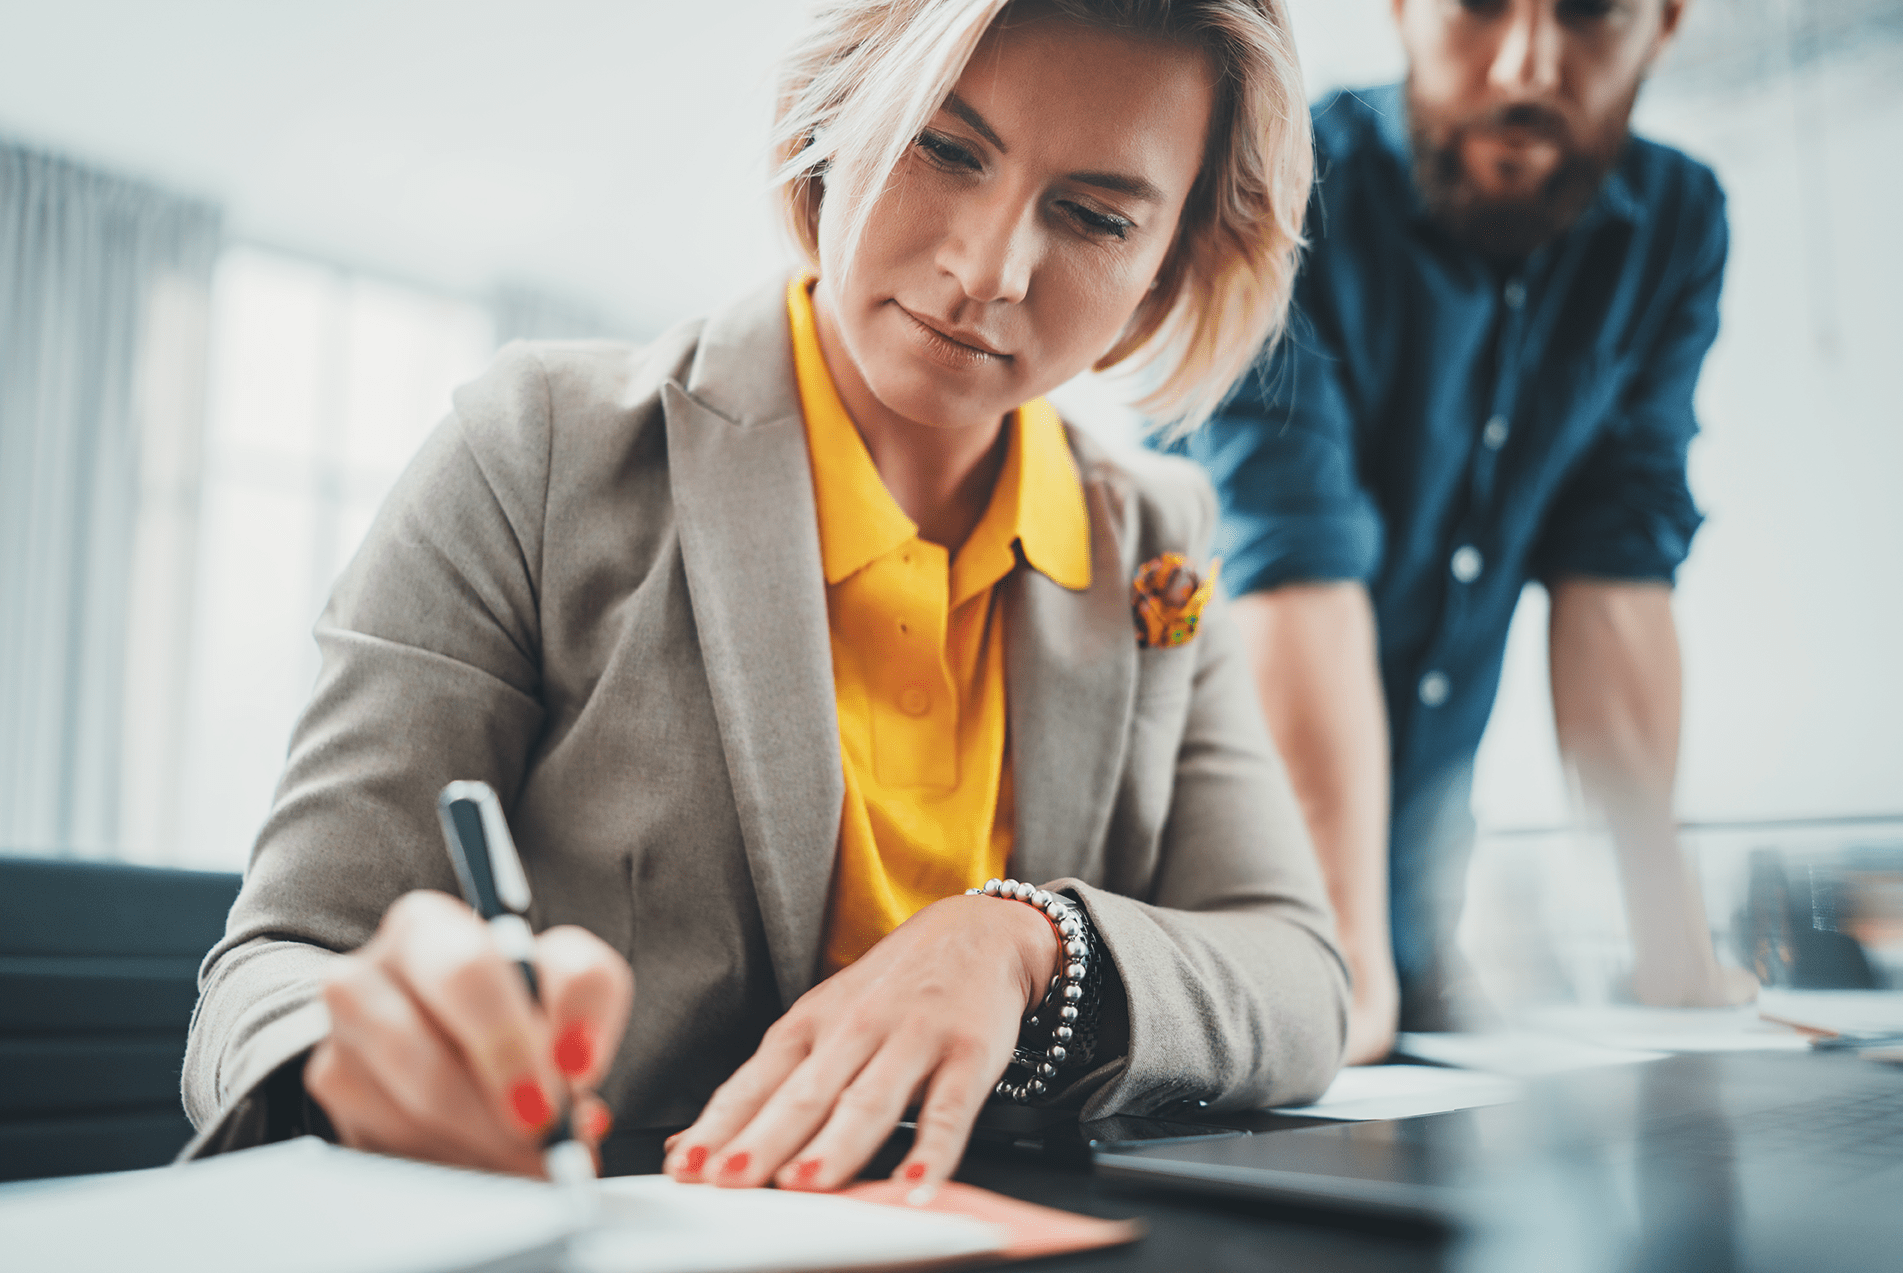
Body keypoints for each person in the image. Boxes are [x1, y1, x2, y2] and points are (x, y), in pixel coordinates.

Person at [181, 0, 1349, 1196]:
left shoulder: (1156, 542)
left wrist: (1023, 941)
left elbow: (1302, 979)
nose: (987, 270)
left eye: (1096, 216)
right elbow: (275, 971)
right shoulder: (538, 449)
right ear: (836, 120)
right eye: (947, 149)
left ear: (1165, 274)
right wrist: (347, 1058)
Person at [1172, 0, 1754, 1065]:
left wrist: (1670, 947)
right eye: (1480, 5)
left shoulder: (1676, 223)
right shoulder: (1278, 181)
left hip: (1415, 915)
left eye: (1588, 14)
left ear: (1664, 24)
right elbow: (1291, 561)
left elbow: (1618, 566)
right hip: (1219, 903)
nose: (1527, 65)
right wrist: (1332, 956)